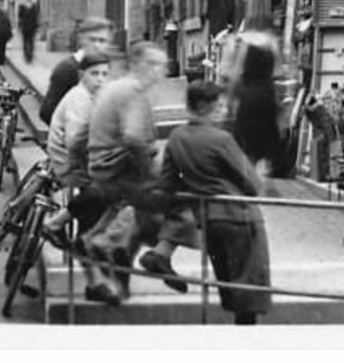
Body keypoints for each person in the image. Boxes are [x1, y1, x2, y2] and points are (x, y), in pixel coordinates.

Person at [86, 40, 196, 294]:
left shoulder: (115, 87)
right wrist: (151, 168)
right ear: (135, 64)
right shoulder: (133, 91)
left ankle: (112, 274)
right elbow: (134, 137)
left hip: (104, 168)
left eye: (161, 65)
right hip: (119, 172)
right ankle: (158, 255)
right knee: (180, 195)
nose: (159, 71)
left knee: (147, 216)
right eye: (152, 64)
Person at [161, 79, 273, 324]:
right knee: (248, 283)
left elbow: (168, 183)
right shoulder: (221, 139)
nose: (223, 111)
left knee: (227, 280)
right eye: (220, 106)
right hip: (239, 216)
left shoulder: (176, 137)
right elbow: (253, 184)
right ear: (205, 107)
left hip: (208, 219)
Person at [43, 47, 122, 305]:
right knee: (103, 196)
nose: (100, 79)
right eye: (94, 74)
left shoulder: (91, 96)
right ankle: (94, 279)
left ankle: (64, 229)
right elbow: (76, 142)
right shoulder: (80, 98)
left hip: (78, 160)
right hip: (67, 163)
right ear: (81, 75)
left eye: (104, 74)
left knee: (112, 196)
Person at [227, 31, 283, 177]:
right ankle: (262, 173)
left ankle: (249, 176)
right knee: (266, 140)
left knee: (247, 141)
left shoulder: (245, 45)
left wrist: (229, 100)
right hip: (267, 96)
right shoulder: (272, 44)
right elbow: (278, 72)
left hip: (248, 97)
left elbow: (236, 75)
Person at [39, 16, 113, 125]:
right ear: (81, 39)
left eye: (102, 41)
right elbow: (47, 112)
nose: (97, 45)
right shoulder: (67, 69)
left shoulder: (107, 67)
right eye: (92, 39)